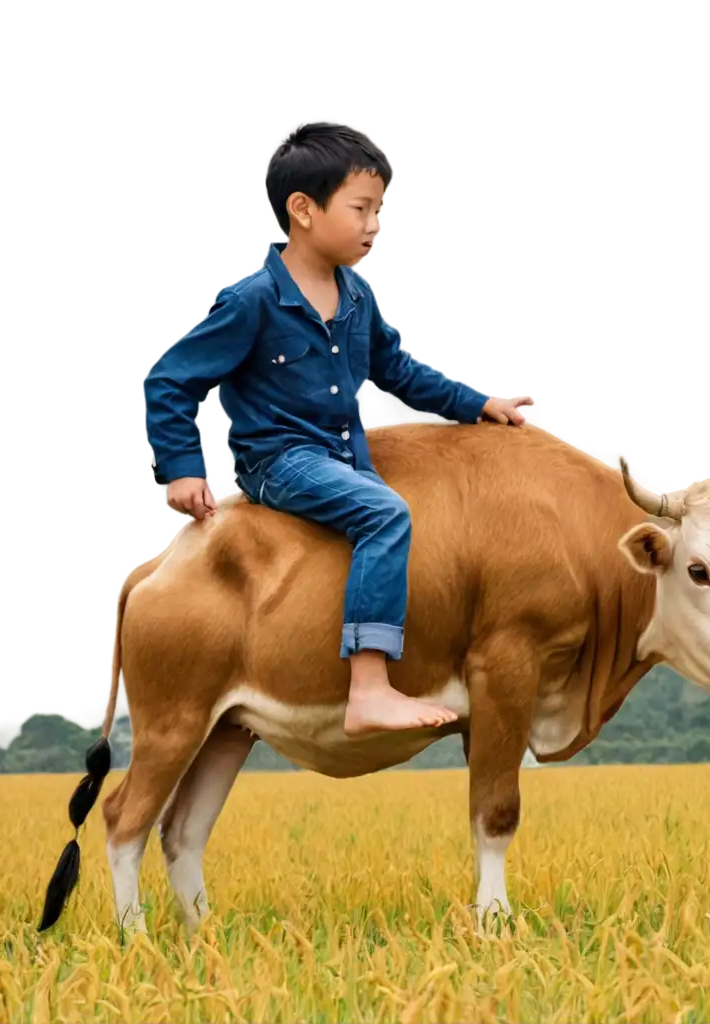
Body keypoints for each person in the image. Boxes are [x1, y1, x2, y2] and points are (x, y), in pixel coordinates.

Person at [140, 116, 533, 737]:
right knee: (386, 514)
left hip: (345, 460)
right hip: (281, 462)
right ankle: (369, 688)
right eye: (361, 209)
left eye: (380, 211)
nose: (375, 225)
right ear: (303, 209)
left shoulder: (356, 298)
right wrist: (182, 468)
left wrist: (478, 403)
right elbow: (169, 378)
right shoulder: (252, 300)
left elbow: (398, 371)